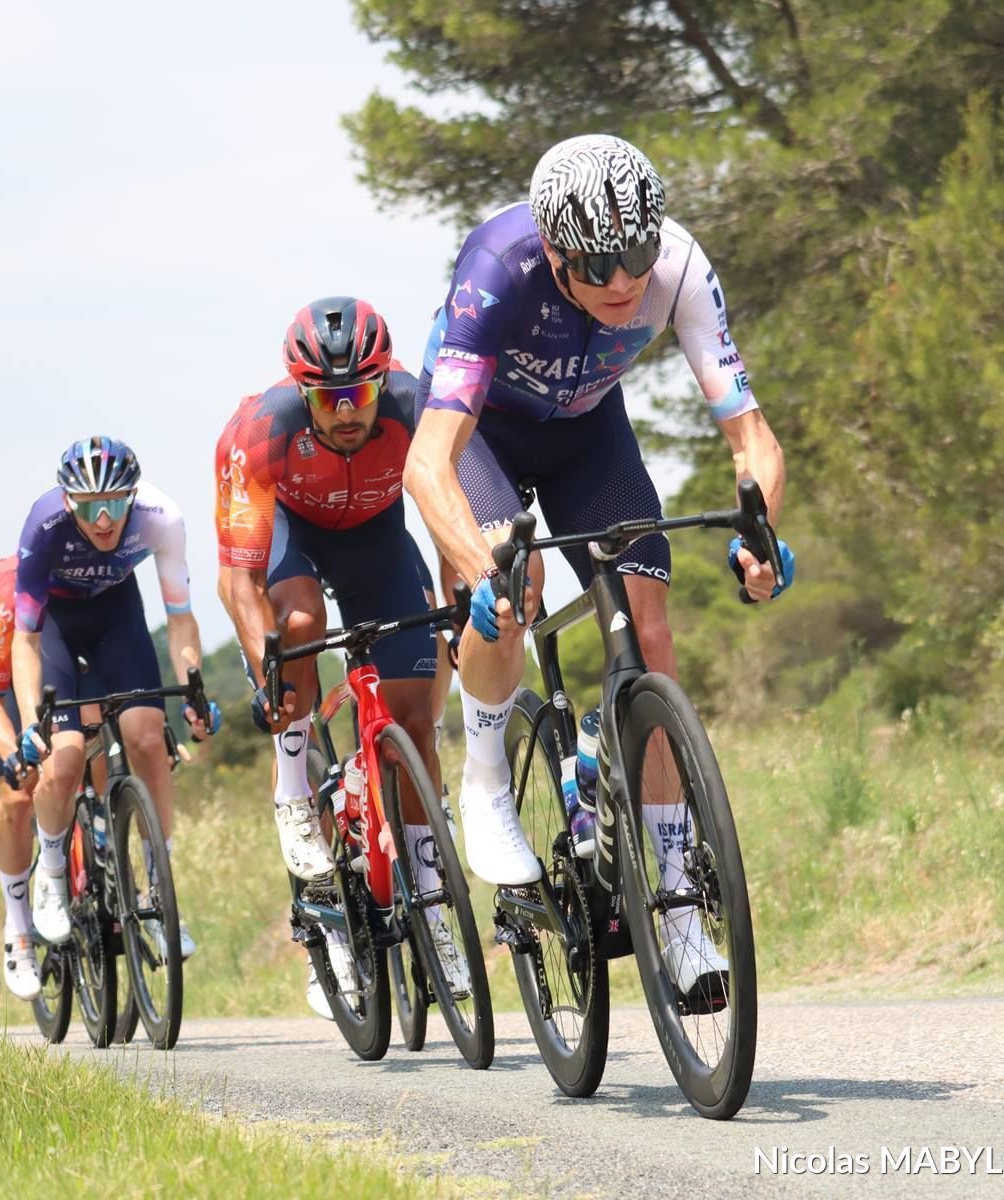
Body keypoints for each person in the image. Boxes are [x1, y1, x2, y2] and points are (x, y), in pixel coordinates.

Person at [404, 133, 791, 1003]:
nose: (624, 280)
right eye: (597, 264)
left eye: (638, 254)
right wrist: (481, 568)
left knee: (652, 631)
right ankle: (490, 775)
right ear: (552, 251)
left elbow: (752, 438)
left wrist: (758, 530)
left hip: (588, 434)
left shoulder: (682, 268)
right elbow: (427, 463)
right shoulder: (497, 267)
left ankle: (679, 904)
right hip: (482, 436)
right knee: (519, 591)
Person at [215, 296, 466, 1008]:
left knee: (416, 723)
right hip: (292, 533)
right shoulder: (262, 430)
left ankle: (429, 888)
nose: (346, 411)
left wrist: (454, 598)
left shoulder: (416, 410)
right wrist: (264, 658)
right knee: (298, 623)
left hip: (377, 536)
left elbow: (448, 515)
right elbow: (238, 577)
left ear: (382, 382)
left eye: (360, 392)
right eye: (328, 398)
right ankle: (295, 786)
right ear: (303, 394)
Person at [10, 436, 216, 959]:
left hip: (116, 616)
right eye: (88, 506)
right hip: (55, 626)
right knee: (66, 759)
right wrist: (34, 719)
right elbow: (26, 640)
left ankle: (159, 887)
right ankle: (52, 875)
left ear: (133, 495)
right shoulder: (43, 525)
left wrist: (192, 686)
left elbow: (180, 618)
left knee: (147, 737)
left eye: (115, 503)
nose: (103, 519)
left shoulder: (160, 516)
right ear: (67, 502)